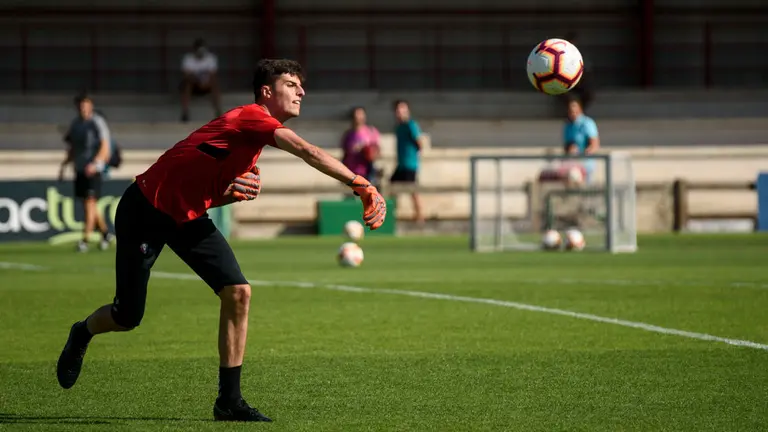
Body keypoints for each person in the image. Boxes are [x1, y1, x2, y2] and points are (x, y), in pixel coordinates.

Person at [55, 59, 386, 423]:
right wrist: (363, 185)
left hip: (187, 217)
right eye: (292, 84)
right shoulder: (252, 116)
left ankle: (229, 401)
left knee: (238, 291)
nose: (301, 91)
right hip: (145, 210)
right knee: (127, 315)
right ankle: (82, 332)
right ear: (267, 92)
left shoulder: (249, 143)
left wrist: (228, 193)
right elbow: (308, 151)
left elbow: (199, 186)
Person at [59, 94, 115, 253]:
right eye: (80, 105)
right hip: (79, 168)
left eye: (85, 105)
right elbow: (72, 148)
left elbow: (105, 145)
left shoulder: (97, 122)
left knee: (89, 204)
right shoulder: (76, 124)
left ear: (90, 106)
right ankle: (105, 234)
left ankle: (85, 239)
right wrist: (64, 166)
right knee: (90, 204)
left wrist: (96, 163)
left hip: (93, 169)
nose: (83, 108)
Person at [390, 100, 426, 223]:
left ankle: (420, 216)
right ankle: (390, 213)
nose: (400, 113)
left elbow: (419, 142)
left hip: (410, 164)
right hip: (401, 164)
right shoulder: (399, 127)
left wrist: (415, 154)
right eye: (398, 110)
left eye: (402, 110)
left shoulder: (411, 125)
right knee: (391, 188)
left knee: (412, 191)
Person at [181, 38, 222, 122]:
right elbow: (186, 75)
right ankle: (185, 112)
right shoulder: (188, 59)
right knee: (187, 85)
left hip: (206, 84)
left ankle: (218, 111)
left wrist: (206, 83)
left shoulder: (211, 58)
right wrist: (198, 82)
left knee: (215, 84)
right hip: (194, 85)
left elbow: (213, 75)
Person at [341, 106, 380, 188]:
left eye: (361, 115)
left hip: (367, 172)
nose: (359, 117)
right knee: (350, 198)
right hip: (351, 172)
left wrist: (368, 151)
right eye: (357, 115)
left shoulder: (371, 132)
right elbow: (345, 154)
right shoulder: (348, 135)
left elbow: (378, 152)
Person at [563, 98, 600, 183]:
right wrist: (570, 149)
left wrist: (584, 154)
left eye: (575, 111)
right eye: (570, 111)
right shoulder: (568, 125)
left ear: (580, 109)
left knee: (585, 188)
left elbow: (594, 145)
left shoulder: (587, 123)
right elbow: (567, 144)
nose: (573, 114)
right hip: (572, 163)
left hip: (585, 164)